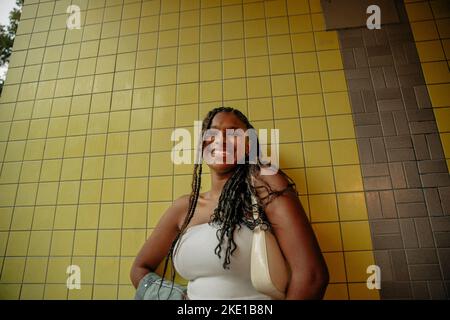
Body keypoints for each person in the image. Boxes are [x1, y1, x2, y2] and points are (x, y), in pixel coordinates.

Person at [130, 107, 329, 300]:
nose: (221, 140)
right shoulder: (185, 207)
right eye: (213, 133)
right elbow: (140, 269)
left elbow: (312, 276)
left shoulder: (265, 186)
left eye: (233, 134)